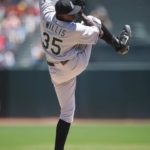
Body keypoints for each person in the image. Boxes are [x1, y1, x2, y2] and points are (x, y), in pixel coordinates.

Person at [39, 0, 131, 150]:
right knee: (94, 20)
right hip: (75, 64)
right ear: (63, 15)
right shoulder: (73, 29)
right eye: (71, 13)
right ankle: (119, 46)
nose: (73, 15)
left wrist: (70, 5)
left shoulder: (47, 15)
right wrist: (82, 14)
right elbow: (97, 31)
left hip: (55, 72)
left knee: (67, 114)